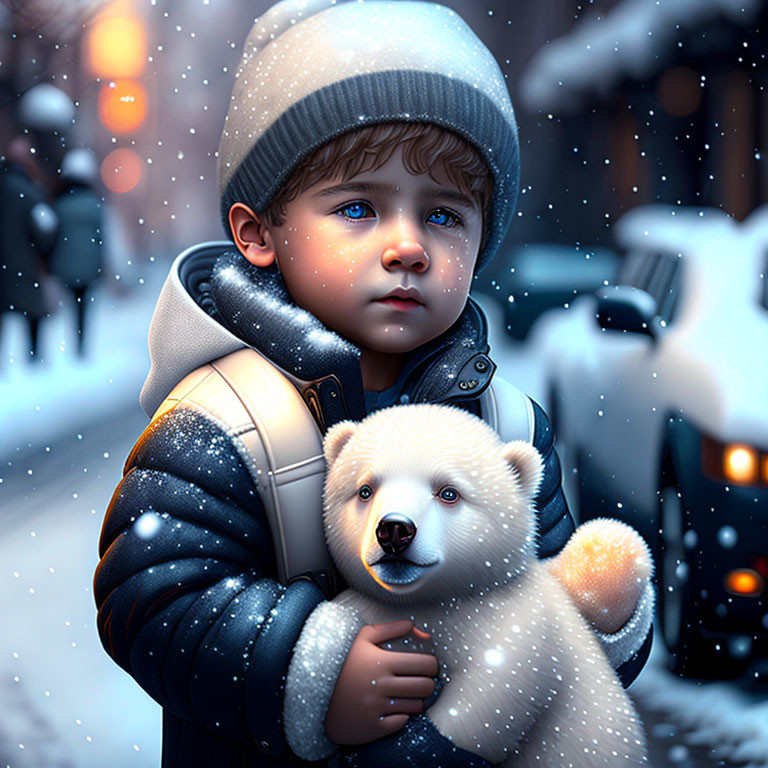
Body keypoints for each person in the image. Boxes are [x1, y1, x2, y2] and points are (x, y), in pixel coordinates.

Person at [94, 2, 653, 766]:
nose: (408, 247)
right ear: (258, 233)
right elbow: (151, 600)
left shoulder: (507, 425)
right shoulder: (222, 422)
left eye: (445, 217)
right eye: (358, 207)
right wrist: (312, 668)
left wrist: (599, 618)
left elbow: (546, 624)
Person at [0, 134, 57, 360]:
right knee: (32, 313)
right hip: (26, 264)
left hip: (3, 266)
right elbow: (45, 228)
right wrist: (44, 253)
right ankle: (33, 358)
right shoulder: (30, 191)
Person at [48, 148, 104, 356]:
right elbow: (101, 237)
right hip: (88, 265)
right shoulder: (94, 203)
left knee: (69, 304)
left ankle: (69, 343)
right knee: (83, 306)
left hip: (65, 263)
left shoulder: (60, 203)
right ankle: (81, 344)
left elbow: (53, 233)